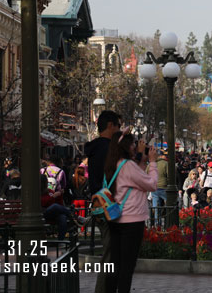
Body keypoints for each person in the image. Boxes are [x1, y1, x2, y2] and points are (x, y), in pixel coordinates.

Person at [104, 131, 158, 293]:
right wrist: (153, 163)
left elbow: (136, 178)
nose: (136, 146)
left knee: (115, 263)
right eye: (133, 144)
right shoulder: (127, 166)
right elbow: (151, 184)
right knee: (126, 266)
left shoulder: (114, 163)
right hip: (131, 221)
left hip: (116, 219)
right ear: (126, 146)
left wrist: (140, 159)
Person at [84, 110, 122, 293]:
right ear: (110, 126)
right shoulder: (108, 149)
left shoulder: (95, 148)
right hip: (108, 207)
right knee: (110, 257)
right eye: (118, 126)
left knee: (112, 256)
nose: (120, 130)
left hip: (99, 205)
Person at [148, 151, 168, 227]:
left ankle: (157, 225)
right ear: (161, 156)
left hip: (154, 188)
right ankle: (168, 223)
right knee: (170, 205)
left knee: (156, 208)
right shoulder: (165, 164)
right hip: (164, 187)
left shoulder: (151, 164)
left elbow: (146, 173)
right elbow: (170, 176)